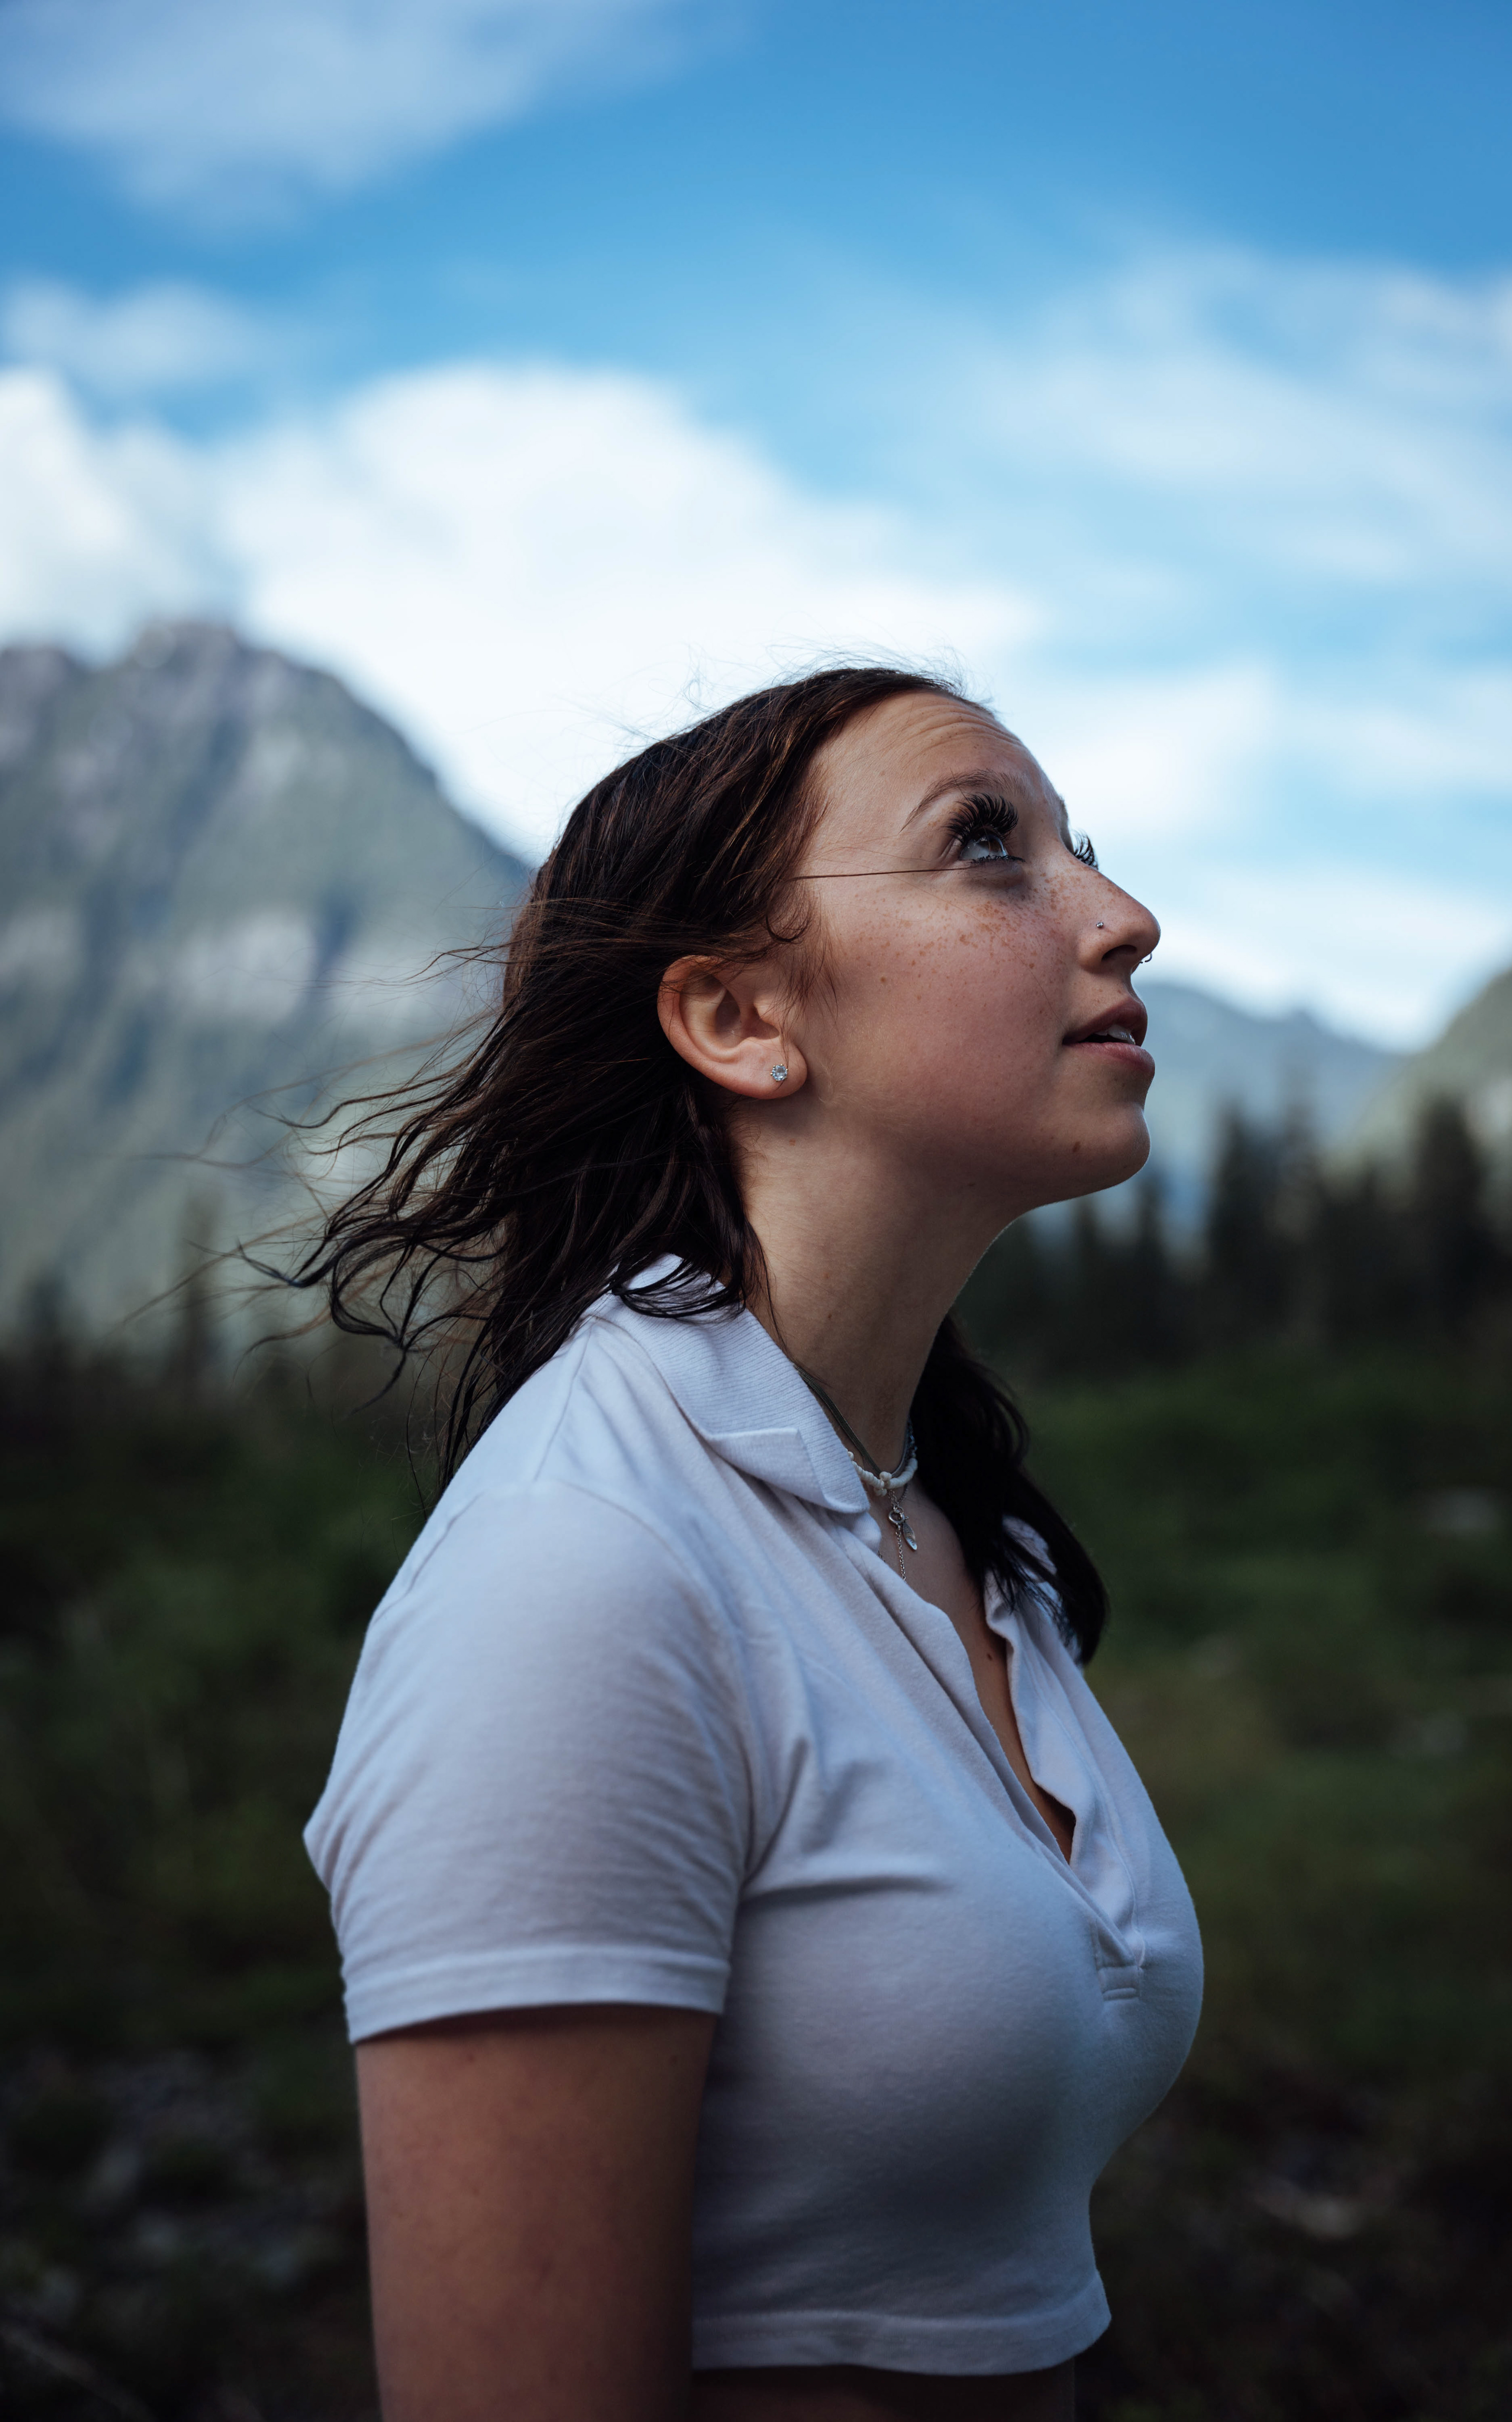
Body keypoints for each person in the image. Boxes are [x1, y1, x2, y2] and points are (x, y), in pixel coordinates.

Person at [301, 666, 1203, 2422]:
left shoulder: (951, 1526)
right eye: (990, 848)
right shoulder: (578, 1578)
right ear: (737, 1018)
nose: (1125, 915)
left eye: (1082, 847)